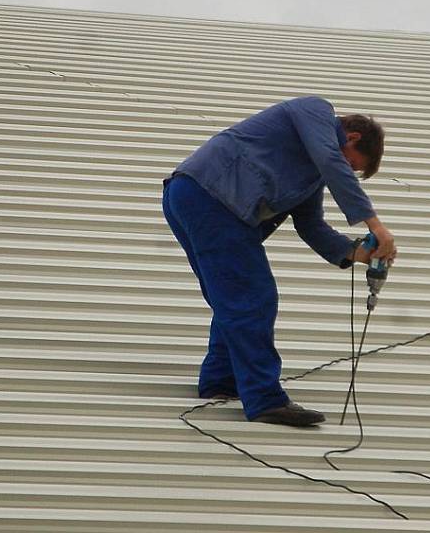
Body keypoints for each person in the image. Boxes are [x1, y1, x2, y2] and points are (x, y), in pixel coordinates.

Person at [162, 96, 397, 427]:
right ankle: (264, 399)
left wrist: (356, 253)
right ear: (353, 137)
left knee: (232, 298)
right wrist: (375, 225)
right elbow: (332, 159)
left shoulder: (310, 175)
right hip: (211, 196)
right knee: (254, 297)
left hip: (196, 199)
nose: (346, 172)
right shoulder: (315, 110)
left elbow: (312, 227)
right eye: (352, 165)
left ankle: (220, 381)